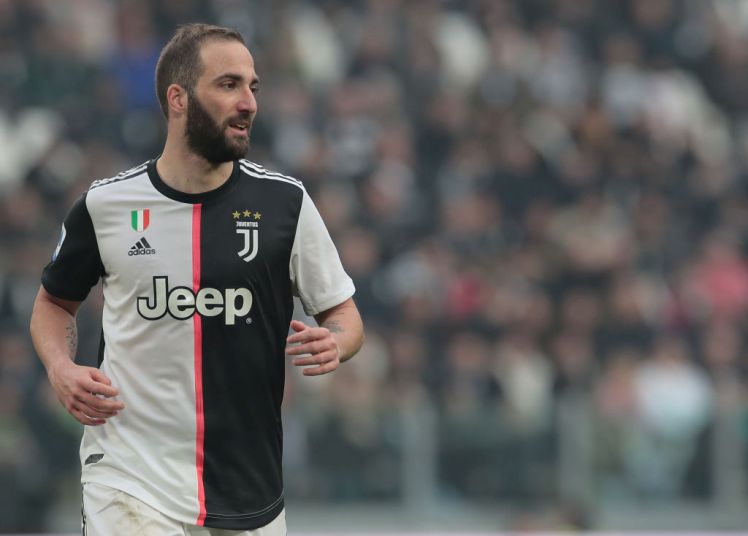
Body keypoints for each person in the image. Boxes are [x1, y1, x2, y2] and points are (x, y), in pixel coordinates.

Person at [29, 23, 364, 536]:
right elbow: (53, 303)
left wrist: (336, 341)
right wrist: (60, 367)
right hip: (130, 474)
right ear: (178, 98)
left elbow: (343, 314)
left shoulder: (285, 204)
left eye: (253, 87)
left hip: (248, 487)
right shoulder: (107, 205)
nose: (248, 103)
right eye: (229, 85)